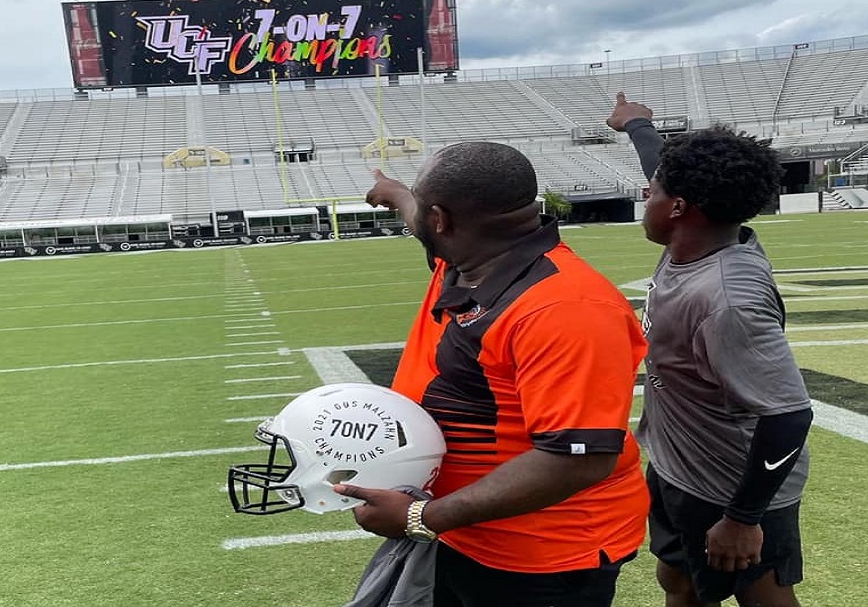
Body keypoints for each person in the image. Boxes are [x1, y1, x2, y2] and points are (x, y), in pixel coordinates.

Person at [334, 142, 650, 607]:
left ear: (440, 219)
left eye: (423, 208)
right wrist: (398, 193)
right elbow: (425, 223)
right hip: (466, 534)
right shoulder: (470, 257)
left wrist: (423, 517)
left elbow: (578, 458)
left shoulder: (566, 307)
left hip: (545, 557)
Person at [607, 93, 813, 607]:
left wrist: (743, 519)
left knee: (762, 597)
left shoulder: (726, 300)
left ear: (678, 208)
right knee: (679, 582)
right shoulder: (699, 237)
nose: (645, 193)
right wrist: (637, 125)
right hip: (680, 465)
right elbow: (666, 170)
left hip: (733, 486)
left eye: (651, 191)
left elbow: (789, 416)